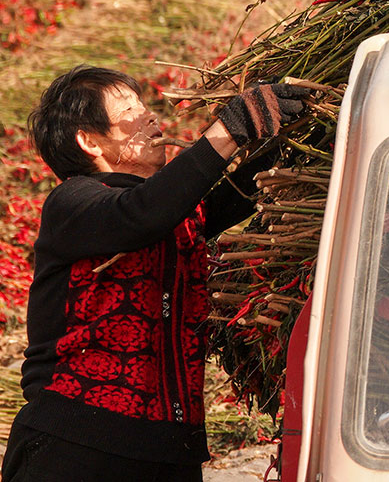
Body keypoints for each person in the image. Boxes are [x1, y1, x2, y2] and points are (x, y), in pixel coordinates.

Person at [1, 66, 307, 482]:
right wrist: (230, 129)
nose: (149, 115)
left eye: (144, 104)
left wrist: (297, 127)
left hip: (170, 451)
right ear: (89, 141)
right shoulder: (73, 204)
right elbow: (141, 215)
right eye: (128, 108)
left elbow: (239, 190)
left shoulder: (177, 211)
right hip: (76, 447)